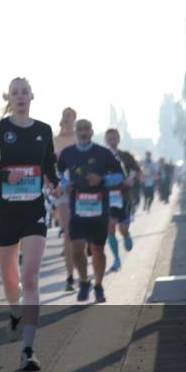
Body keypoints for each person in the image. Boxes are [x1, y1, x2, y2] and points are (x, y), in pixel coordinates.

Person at [0, 78, 58, 371]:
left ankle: (28, 349)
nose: (20, 97)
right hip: (5, 212)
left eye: (24, 92)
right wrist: (6, 177)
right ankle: (15, 313)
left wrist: (55, 184)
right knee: (10, 282)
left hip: (33, 211)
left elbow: (50, 166)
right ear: (9, 97)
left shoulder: (43, 131)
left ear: (32, 96)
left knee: (30, 278)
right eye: (15, 93)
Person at [57, 120, 125, 303]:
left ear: (92, 131)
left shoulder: (103, 153)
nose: (83, 132)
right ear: (75, 132)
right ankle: (85, 281)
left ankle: (99, 285)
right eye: (79, 129)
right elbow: (57, 172)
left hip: (99, 209)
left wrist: (102, 180)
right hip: (77, 210)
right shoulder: (67, 153)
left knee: (97, 249)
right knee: (76, 248)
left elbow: (120, 175)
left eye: (86, 129)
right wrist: (65, 185)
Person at [104, 128, 140, 271]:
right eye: (110, 138)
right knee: (110, 227)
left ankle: (126, 236)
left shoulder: (126, 156)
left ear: (119, 139)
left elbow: (136, 170)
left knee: (122, 228)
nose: (112, 141)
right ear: (106, 140)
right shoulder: (101, 155)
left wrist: (131, 178)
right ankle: (117, 259)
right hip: (107, 197)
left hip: (124, 196)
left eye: (115, 138)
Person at [52, 107, 77, 290]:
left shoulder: (79, 139)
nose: (67, 119)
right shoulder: (54, 141)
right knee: (68, 232)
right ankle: (70, 276)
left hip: (81, 191)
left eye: (70, 116)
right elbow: (49, 166)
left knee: (80, 235)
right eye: (65, 115)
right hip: (61, 190)